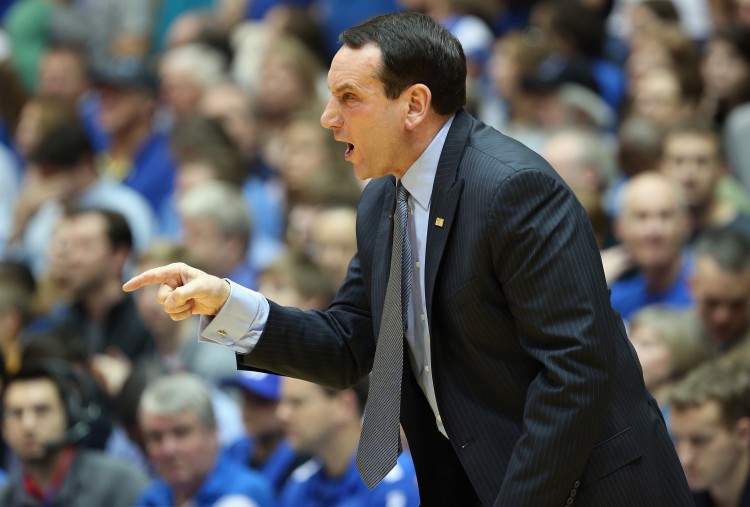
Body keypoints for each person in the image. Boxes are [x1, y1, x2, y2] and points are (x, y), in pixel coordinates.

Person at [124, 12, 693, 506]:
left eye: (349, 98)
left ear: (414, 105)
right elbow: (350, 343)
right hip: (482, 479)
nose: (328, 118)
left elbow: (575, 370)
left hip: (588, 488)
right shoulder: (381, 201)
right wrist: (229, 303)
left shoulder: (512, 190)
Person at [0, 360, 150, 506]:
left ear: (70, 416)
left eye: (41, 411)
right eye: (16, 413)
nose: (28, 425)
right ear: (4, 427)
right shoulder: (4, 498)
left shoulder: (122, 485)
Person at [136, 373, 275, 507]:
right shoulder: (152, 497)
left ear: (213, 431)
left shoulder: (243, 495)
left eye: (181, 433)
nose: (168, 449)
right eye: (156, 437)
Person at [277, 376, 419, 506]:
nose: (282, 414)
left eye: (297, 402)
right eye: (282, 402)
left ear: (345, 405)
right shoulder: (299, 483)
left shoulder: (394, 483)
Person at [669, 361, 750, 507]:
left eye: (700, 441)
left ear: (743, 434)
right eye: (678, 439)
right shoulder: (681, 496)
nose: (684, 458)